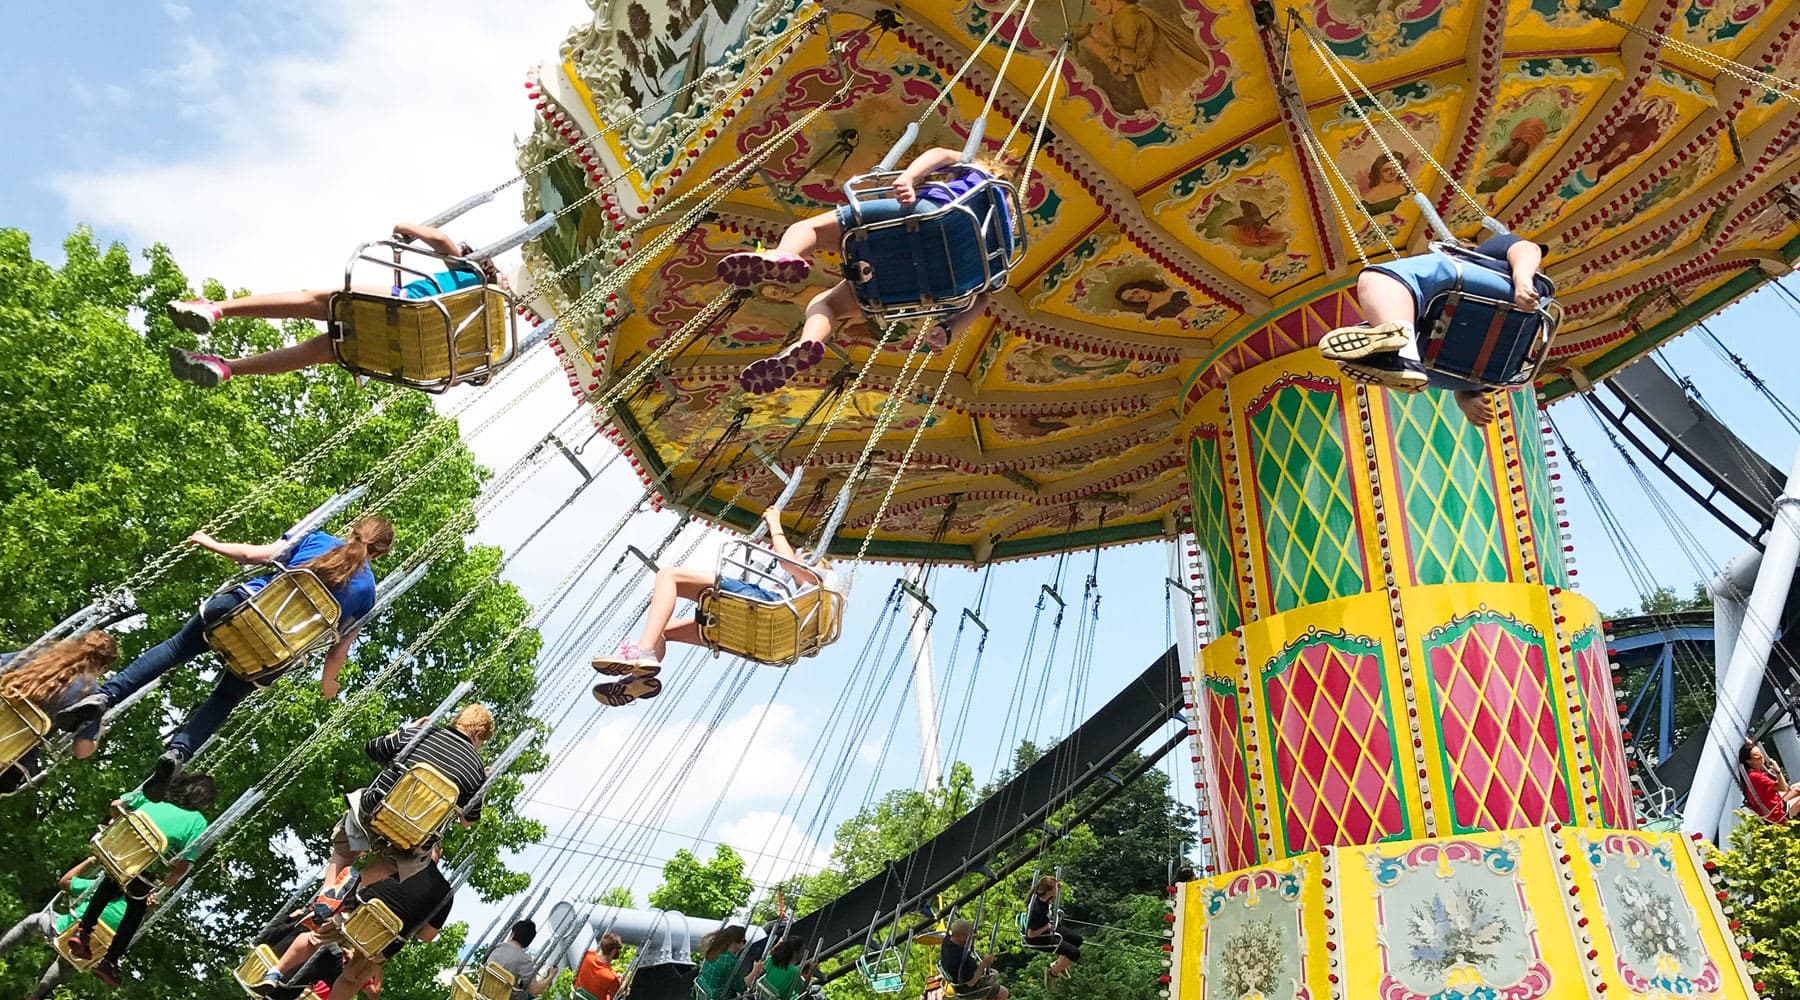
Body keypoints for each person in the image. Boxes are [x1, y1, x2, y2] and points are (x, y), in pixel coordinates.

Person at [58, 519, 391, 794]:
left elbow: (253, 555)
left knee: (175, 649)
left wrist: (210, 542)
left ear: (353, 529)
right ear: (380, 554)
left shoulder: (317, 539)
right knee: (225, 698)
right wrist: (328, 683)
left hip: (239, 610)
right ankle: (178, 752)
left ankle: (105, 697)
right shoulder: (367, 594)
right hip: (271, 652)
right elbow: (339, 648)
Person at [718, 147, 1006, 394]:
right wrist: (948, 329)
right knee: (828, 303)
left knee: (807, 229)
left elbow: (940, 154)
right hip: (936, 279)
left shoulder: (977, 169)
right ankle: (808, 343)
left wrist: (909, 177)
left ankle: (786, 254)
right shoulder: (1002, 240)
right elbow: (983, 299)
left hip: (927, 219)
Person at [162, 222, 498, 389]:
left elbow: (438, 240)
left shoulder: (470, 274)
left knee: (317, 300)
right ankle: (229, 367)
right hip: (402, 354)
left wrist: (405, 228)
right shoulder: (483, 330)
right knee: (320, 351)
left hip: (403, 306)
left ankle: (218, 308)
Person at [589, 506, 822, 705]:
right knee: (662, 630)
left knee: (669, 576)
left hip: (763, 610)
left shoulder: (821, 580)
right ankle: (637, 681)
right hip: (754, 635)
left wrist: (775, 523)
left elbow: (787, 562)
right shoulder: (811, 612)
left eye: (806, 560)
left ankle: (643, 652)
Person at [1317, 233, 1549, 427]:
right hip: (1484, 366)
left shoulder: (1481, 254)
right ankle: (1393, 355)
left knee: (1379, 278)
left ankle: (1398, 356)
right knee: (1390, 317)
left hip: (1492, 294)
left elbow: (1527, 248)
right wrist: (1466, 396)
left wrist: (1522, 280)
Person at [313, 704, 493, 921]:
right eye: (482, 742)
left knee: (348, 842)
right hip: (413, 836)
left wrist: (406, 730)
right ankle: (359, 882)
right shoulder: (476, 769)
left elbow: (373, 748)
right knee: (405, 861)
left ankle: (328, 890)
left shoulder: (423, 733)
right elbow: (468, 820)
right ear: (476, 734)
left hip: (377, 807)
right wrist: (484, 783)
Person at [66, 773, 218, 985]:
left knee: (110, 882)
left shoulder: (154, 798)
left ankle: (83, 931)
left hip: (117, 856)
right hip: (140, 870)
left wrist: (118, 825)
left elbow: (117, 805)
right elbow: (186, 861)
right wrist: (171, 878)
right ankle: (109, 960)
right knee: (135, 912)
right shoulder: (197, 821)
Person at [255, 846, 455, 999]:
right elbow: (427, 936)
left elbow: (367, 875)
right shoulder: (445, 892)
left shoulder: (404, 855)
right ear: (441, 854)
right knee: (352, 979)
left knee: (313, 938)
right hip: (383, 939)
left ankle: (275, 973)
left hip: (359, 912)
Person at [0, 858, 131, 999]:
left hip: (65, 931)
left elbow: (64, 882)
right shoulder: (133, 911)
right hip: (88, 951)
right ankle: (36, 996)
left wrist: (91, 861)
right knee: (66, 961)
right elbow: (133, 928)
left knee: (33, 921)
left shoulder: (101, 888)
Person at [0, 632, 116, 792]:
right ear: (103, 668)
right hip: (9, 764)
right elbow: (81, 750)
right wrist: (97, 734)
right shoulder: (90, 696)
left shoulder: (40, 657)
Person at [1025, 876, 1082, 981]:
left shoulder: (1044, 898)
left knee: (1078, 940)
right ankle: (1053, 973)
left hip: (1048, 927)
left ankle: (1059, 964)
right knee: (1074, 953)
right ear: (1049, 890)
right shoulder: (1036, 910)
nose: (1057, 891)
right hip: (1039, 937)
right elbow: (1031, 934)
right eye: (1055, 889)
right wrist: (1047, 927)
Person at [485, 919, 554, 999]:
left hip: (486, 994)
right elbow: (535, 990)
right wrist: (551, 975)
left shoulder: (496, 948)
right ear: (528, 942)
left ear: (512, 934)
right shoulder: (524, 960)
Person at [940, 920, 1006, 1000]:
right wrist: (983, 965)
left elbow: (963, 941)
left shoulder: (947, 941)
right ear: (961, 936)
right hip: (966, 988)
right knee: (1003, 991)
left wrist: (970, 939)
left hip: (959, 977)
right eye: (969, 936)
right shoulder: (960, 959)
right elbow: (971, 983)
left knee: (995, 973)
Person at [1741, 739, 1800, 823]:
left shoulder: (1753, 772)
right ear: (1749, 761)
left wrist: (1750, 745)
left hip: (1776, 803)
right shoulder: (1756, 777)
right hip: (1777, 814)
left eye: (1761, 754)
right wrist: (1778, 771)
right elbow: (1783, 788)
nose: (1762, 757)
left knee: (1797, 788)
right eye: (1757, 756)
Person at [695, 924, 751, 999]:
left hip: (702, 994)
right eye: (743, 941)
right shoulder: (729, 961)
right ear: (735, 942)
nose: (743, 944)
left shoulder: (715, 948)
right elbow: (741, 987)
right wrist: (756, 970)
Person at [573, 931, 625, 1000]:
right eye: (619, 949)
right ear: (613, 952)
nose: (620, 952)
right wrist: (623, 983)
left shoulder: (588, 955)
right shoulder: (612, 977)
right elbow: (614, 997)